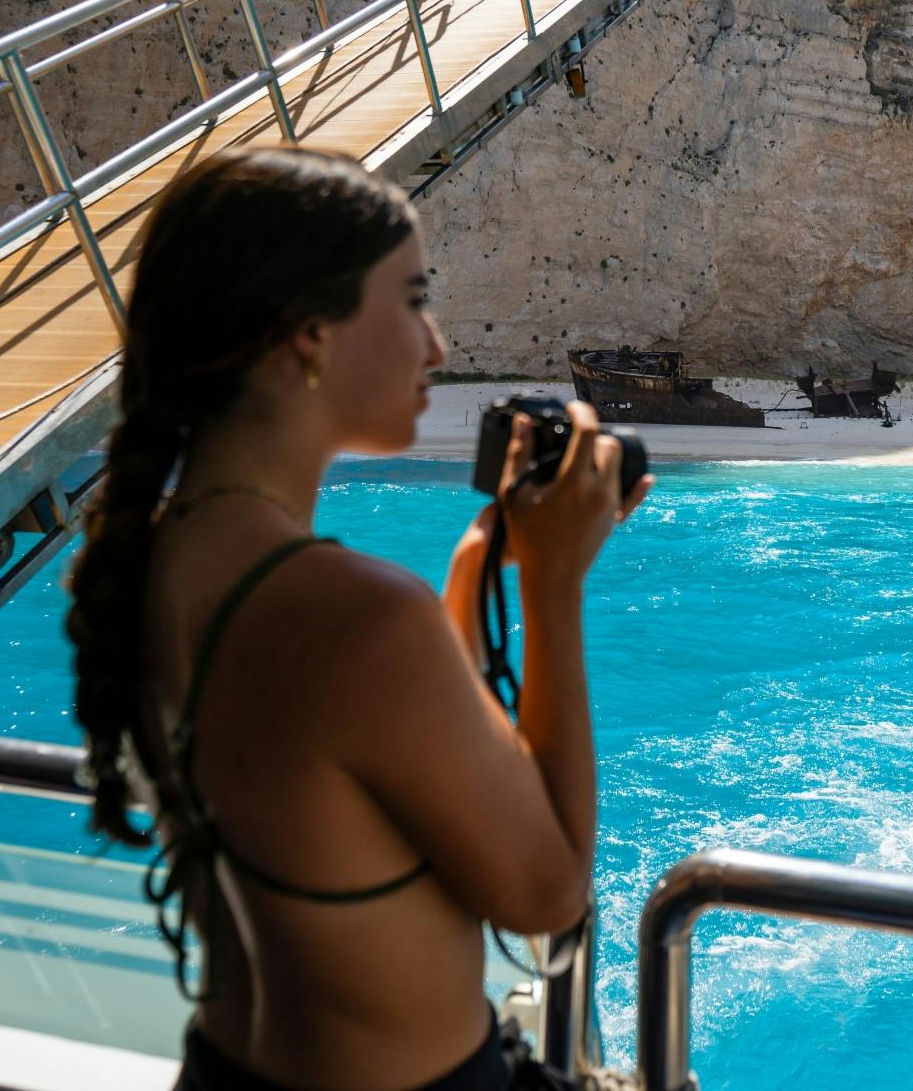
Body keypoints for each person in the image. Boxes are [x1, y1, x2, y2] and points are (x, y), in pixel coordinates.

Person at [65, 147, 650, 1091]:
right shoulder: (360, 618)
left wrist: (472, 575)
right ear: (309, 334)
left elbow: (358, 772)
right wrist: (552, 589)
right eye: (413, 301)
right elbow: (548, 893)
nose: (437, 346)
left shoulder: (151, 559)